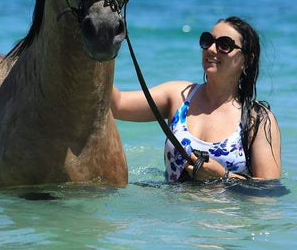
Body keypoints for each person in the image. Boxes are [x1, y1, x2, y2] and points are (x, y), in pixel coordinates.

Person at [112, 16, 281, 182]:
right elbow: (116, 105)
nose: (212, 49)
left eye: (224, 45)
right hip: (171, 208)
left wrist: (223, 176)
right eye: (208, 41)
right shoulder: (179, 95)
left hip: (227, 209)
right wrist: (96, 43)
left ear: (247, 60)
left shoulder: (257, 119)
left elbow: (270, 190)